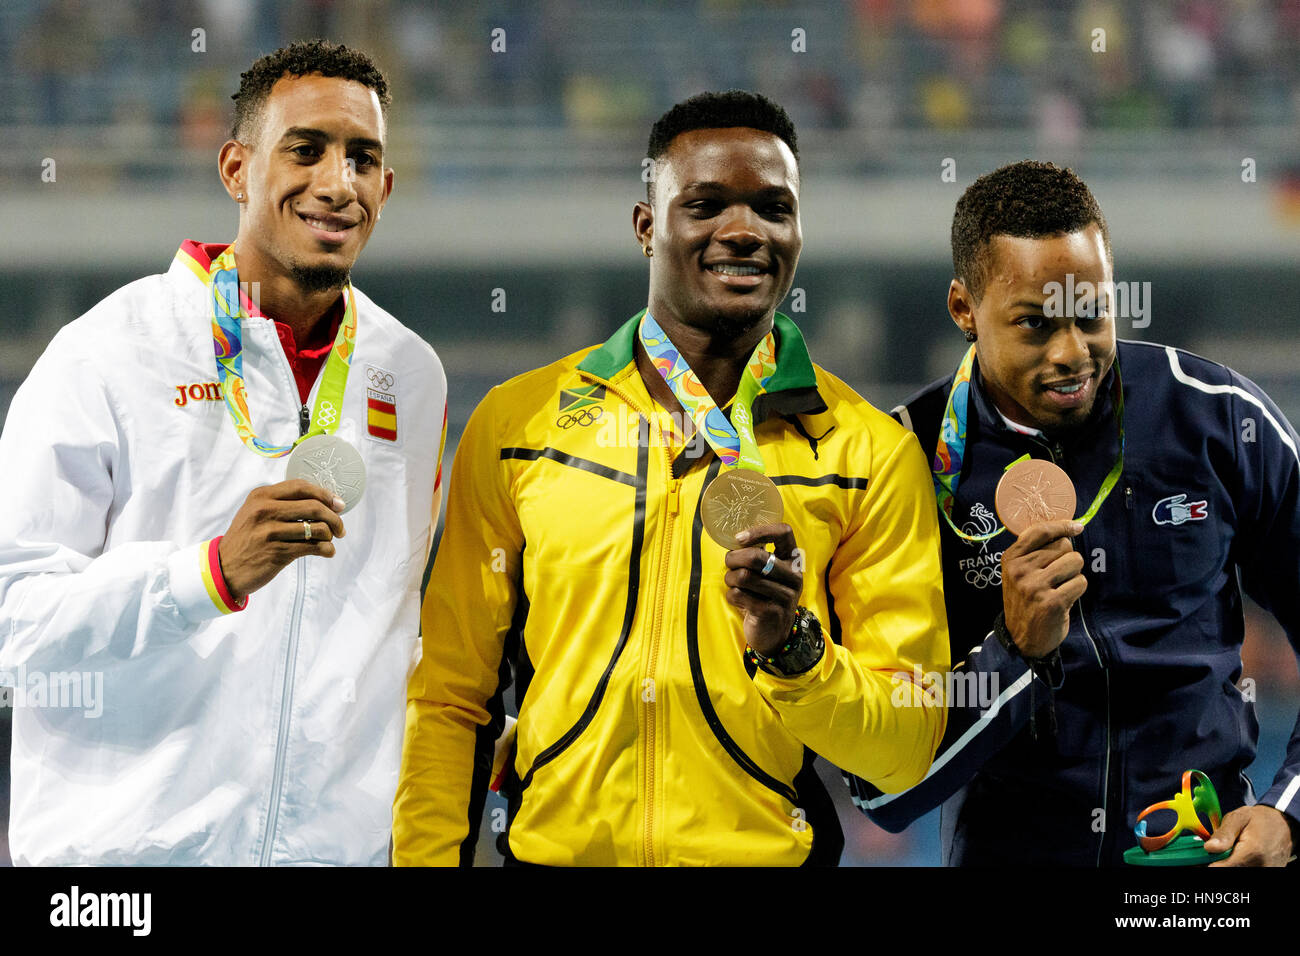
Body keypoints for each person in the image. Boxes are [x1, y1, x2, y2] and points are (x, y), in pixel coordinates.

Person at [391, 90, 949, 866]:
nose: (744, 231)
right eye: (707, 204)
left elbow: (903, 749)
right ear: (647, 227)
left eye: (773, 208)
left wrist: (795, 652)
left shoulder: (867, 455)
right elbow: (451, 697)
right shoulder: (520, 428)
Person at [0, 39, 447, 865]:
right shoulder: (105, 353)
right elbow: (12, 619)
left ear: (386, 186)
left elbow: (391, 625)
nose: (336, 183)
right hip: (122, 874)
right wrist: (204, 577)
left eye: (363, 159)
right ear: (237, 168)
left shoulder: (410, 376)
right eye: (305, 150)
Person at [848, 161, 1300, 866]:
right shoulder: (897, 462)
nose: (1072, 353)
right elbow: (881, 789)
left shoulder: (1219, 419)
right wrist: (1014, 653)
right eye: (1034, 324)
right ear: (964, 309)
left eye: (1092, 315)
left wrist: (1287, 813)